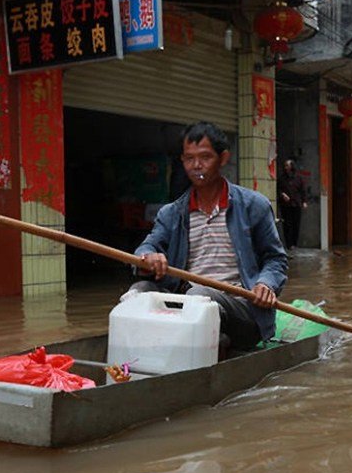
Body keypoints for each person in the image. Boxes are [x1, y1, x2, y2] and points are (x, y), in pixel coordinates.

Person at [130, 121, 287, 351]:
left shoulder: (254, 205)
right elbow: (147, 247)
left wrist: (265, 284)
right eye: (189, 159)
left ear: (223, 158)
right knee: (138, 292)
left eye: (205, 157)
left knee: (199, 296)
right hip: (189, 308)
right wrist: (147, 258)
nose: (196, 166)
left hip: (241, 310)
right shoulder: (172, 213)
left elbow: (276, 259)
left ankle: (215, 340)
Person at [277, 159, 306, 250]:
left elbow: (302, 191)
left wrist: (304, 201)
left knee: (296, 224)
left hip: (296, 204)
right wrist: (282, 194)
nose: (286, 168)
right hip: (285, 205)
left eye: (288, 166)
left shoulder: (298, 178)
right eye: (285, 166)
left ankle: (294, 243)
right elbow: (278, 189)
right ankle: (289, 244)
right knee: (287, 224)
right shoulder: (282, 178)